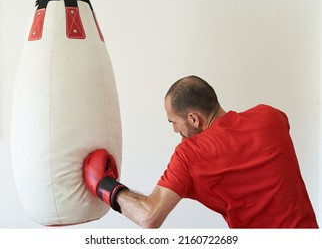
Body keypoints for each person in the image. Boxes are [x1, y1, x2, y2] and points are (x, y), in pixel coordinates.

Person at [83, 75, 319, 228]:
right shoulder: (270, 116)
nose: (175, 130)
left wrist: (104, 185)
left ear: (194, 118)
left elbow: (149, 216)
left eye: (173, 122)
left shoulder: (189, 155)